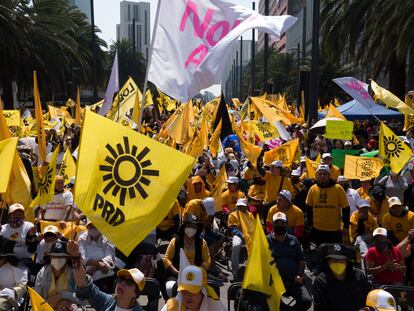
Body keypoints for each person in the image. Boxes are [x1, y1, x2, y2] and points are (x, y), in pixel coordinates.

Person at [67, 240, 145, 310]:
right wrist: (75, 258)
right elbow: (84, 285)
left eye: (129, 282)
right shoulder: (106, 301)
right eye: (120, 279)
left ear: (136, 293)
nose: (122, 283)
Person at [267, 212, 312, 311]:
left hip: (293, 280)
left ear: (287, 224)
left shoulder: (294, 240)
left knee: (306, 301)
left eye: (282, 223)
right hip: (274, 282)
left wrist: (299, 275)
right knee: (272, 303)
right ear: (273, 225)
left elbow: (301, 260)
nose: (280, 225)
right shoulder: (266, 241)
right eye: (277, 223)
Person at [163, 214, 210, 297]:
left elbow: (207, 261)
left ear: (197, 229)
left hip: (197, 276)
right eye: (189, 226)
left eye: (194, 227)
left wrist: (198, 272)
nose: (191, 229)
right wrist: (177, 272)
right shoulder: (175, 241)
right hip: (177, 275)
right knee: (170, 288)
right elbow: (166, 259)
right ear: (184, 227)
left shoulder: (202, 243)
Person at [313, 243, 370, 311]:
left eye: (341, 260)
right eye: (333, 260)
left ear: (347, 261)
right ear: (327, 261)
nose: (337, 263)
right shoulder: (320, 281)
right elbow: (319, 308)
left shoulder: (359, 275)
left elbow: (368, 298)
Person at [305, 165, 350, 245]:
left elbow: (345, 208)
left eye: (325, 174)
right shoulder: (312, 189)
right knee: (319, 254)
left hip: (334, 230)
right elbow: (309, 208)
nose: (322, 176)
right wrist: (310, 224)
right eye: (320, 174)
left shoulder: (338, 188)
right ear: (316, 176)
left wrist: (346, 226)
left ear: (329, 175)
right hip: (317, 229)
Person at [35, 240, 83, 310]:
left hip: (69, 307)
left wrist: (61, 297)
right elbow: (37, 299)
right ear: (50, 258)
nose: (57, 259)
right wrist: (53, 303)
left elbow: (83, 299)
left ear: (67, 258)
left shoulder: (74, 273)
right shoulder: (42, 273)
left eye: (61, 257)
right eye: (54, 256)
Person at [78, 221, 116, 294]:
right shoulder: (82, 239)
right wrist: (99, 264)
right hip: (89, 279)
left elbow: (109, 257)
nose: (92, 228)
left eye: (95, 226)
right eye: (90, 226)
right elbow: (83, 258)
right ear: (87, 227)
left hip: (106, 277)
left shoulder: (107, 237)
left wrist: (95, 267)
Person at [227, 198, 255, 281]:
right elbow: (232, 228)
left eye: (243, 206)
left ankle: (253, 271)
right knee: (236, 245)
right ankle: (234, 272)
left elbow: (253, 227)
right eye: (239, 206)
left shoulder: (250, 215)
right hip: (238, 235)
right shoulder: (233, 215)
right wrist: (241, 234)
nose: (241, 208)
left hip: (249, 235)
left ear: (246, 207)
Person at [0, 239, 28, 310]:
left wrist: (12, 291)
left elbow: (22, 286)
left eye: (1, 258)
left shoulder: (17, 266)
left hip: (9, 296)